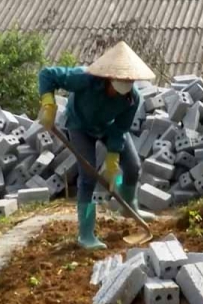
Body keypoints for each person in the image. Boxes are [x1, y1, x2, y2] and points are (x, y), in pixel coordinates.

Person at [38, 41, 156, 250]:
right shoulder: (85, 78)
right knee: (88, 175)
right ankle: (86, 234)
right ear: (108, 79)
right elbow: (47, 74)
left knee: (133, 166)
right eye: (114, 90)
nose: (117, 95)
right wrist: (48, 103)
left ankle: (128, 207)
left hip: (108, 127)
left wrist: (112, 163)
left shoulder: (131, 99)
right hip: (80, 126)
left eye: (123, 92)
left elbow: (120, 129)